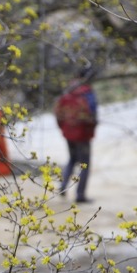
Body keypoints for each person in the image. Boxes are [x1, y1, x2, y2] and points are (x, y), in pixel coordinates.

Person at [54, 68, 98, 203]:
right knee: (85, 164)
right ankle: (80, 195)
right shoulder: (87, 92)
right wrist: (92, 125)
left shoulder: (67, 91)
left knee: (72, 159)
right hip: (83, 133)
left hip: (68, 132)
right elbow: (92, 111)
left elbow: (58, 112)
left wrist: (63, 128)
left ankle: (62, 187)